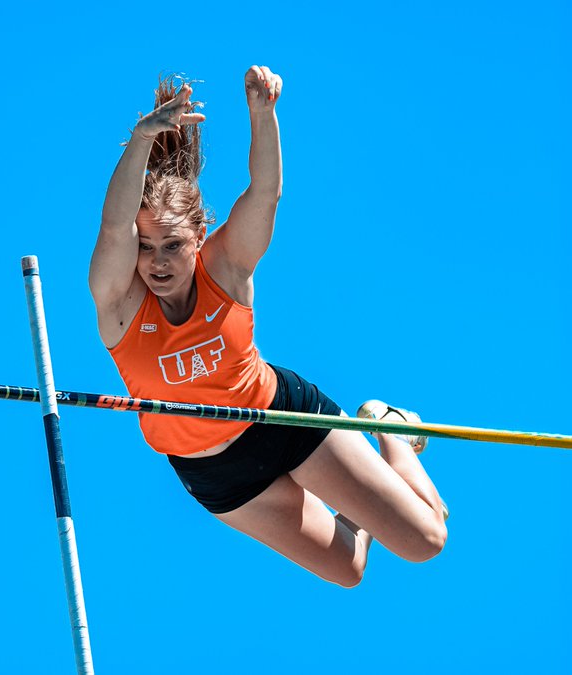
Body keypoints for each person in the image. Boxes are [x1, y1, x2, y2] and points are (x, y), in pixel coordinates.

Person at [88, 66, 448, 587]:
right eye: (146, 249)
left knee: (425, 541)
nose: (157, 262)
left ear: (200, 237)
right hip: (215, 473)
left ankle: (394, 431)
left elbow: (265, 192)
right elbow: (114, 225)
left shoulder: (227, 269)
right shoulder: (119, 305)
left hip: (282, 421)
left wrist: (263, 115)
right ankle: (366, 492)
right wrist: (143, 138)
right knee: (349, 569)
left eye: (172, 246)